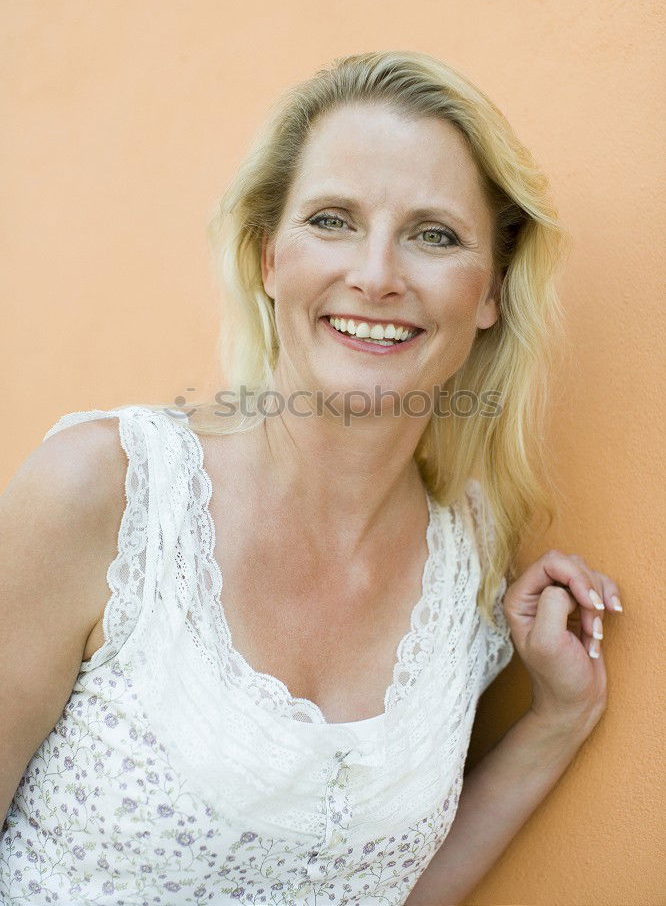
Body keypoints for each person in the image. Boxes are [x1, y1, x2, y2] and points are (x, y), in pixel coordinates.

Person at [0, 51, 622, 905]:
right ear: (267, 258)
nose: (376, 275)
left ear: (491, 292)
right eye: (332, 219)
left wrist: (559, 718)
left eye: (434, 234)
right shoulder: (105, 493)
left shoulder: (472, 554)